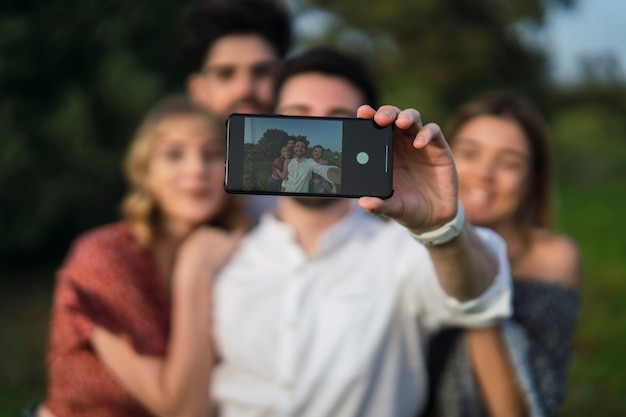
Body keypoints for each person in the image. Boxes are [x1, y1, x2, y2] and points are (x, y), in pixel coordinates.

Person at [201, 47, 513, 417]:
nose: (319, 126)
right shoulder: (225, 254)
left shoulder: (400, 251)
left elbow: (476, 293)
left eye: (339, 118)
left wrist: (441, 227)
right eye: (300, 114)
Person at [35, 96, 249, 417]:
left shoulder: (239, 254)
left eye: (213, 153)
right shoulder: (102, 256)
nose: (196, 169)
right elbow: (182, 410)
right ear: (145, 169)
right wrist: (195, 270)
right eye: (174, 154)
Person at [424, 91, 581, 417]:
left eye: (509, 162)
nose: (485, 173)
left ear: (531, 181)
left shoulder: (552, 257)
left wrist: (473, 277)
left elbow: (519, 409)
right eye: (469, 153)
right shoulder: (402, 243)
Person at [176, 0, 293, 220]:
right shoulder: (171, 188)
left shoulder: (324, 192)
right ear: (197, 90)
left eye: (262, 72)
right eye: (225, 74)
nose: (245, 89)